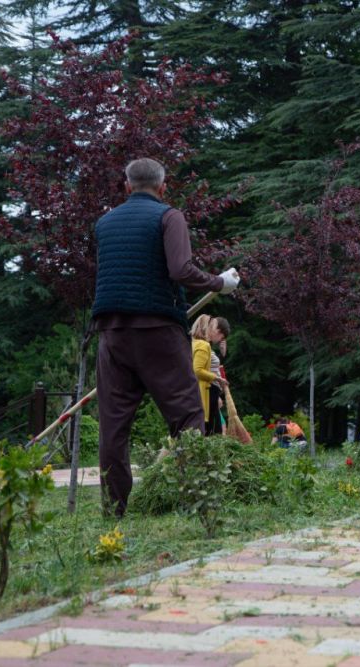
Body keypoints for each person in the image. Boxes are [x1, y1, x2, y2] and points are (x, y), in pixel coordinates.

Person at [92, 157, 239, 517]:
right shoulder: (168, 216)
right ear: (163, 187)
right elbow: (179, 269)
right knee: (187, 415)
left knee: (113, 426)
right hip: (158, 331)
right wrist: (221, 283)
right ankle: (197, 501)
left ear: (126, 186)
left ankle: (114, 510)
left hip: (112, 334)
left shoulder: (104, 223)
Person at [190, 314, 230, 435]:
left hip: (208, 391)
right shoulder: (203, 345)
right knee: (212, 431)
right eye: (212, 326)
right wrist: (218, 378)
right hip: (207, 391)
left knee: (208, 430)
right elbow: (198, 370)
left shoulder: (196, 343)